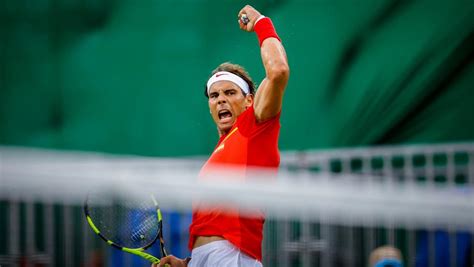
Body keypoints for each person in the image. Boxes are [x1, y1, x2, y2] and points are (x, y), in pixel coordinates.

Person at [153, 4, 289, 267]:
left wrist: (261, 22)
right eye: (214, 95)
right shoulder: (218, 152)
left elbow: (279, 72)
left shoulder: (254, 127)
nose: (221, 100)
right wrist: (189, 263)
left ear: (249, 101)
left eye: (230, 93)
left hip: (232, 256)